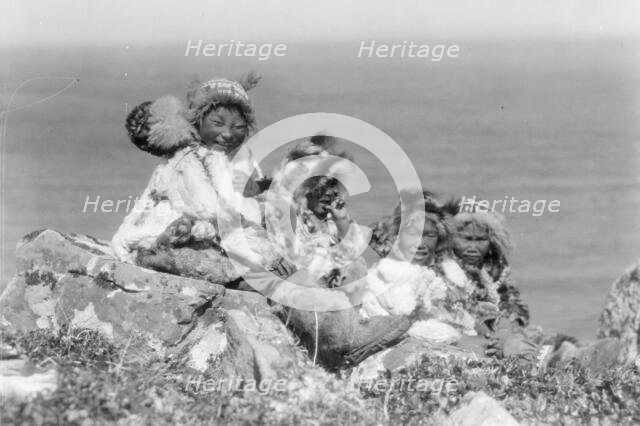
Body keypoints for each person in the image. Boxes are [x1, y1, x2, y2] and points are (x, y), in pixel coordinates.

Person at [111, 74, 282, 284]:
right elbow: (208, 207)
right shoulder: (190, 158)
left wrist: (260, 189)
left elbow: (249, 187)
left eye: (238, 127)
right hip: (196, 228)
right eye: (218, 123)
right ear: (198, 120)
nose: (228, 134)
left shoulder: (239, 157)